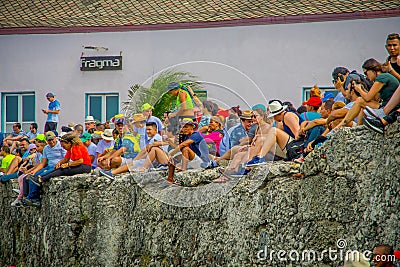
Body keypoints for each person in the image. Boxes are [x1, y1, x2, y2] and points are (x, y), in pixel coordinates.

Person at [25, 133, 92, 206]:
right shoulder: (71, 148)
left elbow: (80, 161)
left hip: (85, 166)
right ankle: (39, 180)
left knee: (63, 170)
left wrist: (68, 165)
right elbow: (66, 159)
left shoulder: (76, 147)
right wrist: (60, 163)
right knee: (59, 168)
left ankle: (41, 179)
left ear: (69, 143)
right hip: (81, 165)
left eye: (64, 146)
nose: (63, 148)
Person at [337, 58, 399, 129]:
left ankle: (343, 126)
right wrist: (362, 89)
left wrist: (359, 89)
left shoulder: (382, 77)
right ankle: (358, 128)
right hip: (387, 106)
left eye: (366, 73)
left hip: (390, 108)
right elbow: (374, 99)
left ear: (372, 70)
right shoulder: (382, 77)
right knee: (362, 105)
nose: (366, 76)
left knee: (360, 101)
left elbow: (367, 98)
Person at [22, 131, 66, 206]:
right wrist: (34, 171)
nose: (51, 142)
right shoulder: (46, 148)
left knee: (38, 177)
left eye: (52, 139)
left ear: (55, 138)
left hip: (57, 167)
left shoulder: (61, 146)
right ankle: (31, 198)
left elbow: (66, 158)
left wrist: (61, 164)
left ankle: (31, 198)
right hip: (49, 166)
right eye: (49, 140)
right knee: (32, 176)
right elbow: (43, 163)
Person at [165, 118, 209, 186]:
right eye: (182, 127)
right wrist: (170, 143)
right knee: (173, 159)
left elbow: (183, 145)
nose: (183, 129)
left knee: (185, 149)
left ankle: (183, 170)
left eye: (185, 127)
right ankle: (170, 179)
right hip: (193, 161)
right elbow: (179, 149)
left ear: (192, 127)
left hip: (202, 162)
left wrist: (172, 153)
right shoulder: (185, 136)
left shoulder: (196, 135)